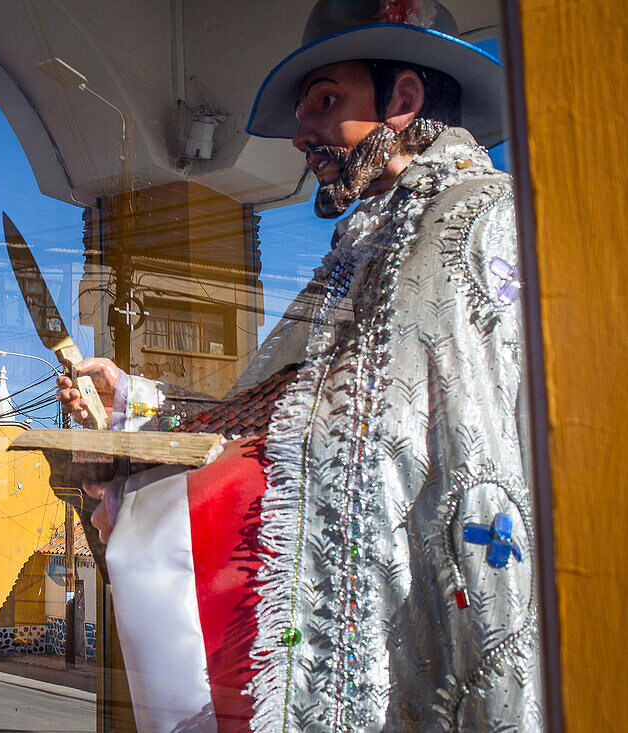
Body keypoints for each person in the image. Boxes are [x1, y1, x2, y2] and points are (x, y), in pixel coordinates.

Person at [56, 1, 539, 731]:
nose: (303, 133)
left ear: (402, 101)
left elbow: (423, 425)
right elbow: (282, 395)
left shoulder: (479, 216)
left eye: (325, 102)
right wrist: (136, 403)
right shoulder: (359, 247)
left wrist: (190, 487)